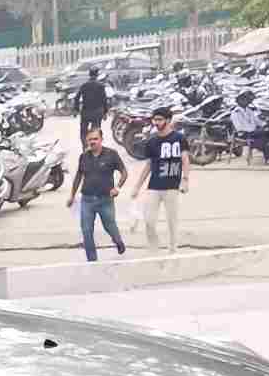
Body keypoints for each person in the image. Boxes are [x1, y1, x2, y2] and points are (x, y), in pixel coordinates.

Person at [129, 105, 189, 253]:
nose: (156, 122)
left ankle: (173, 249)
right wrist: (137, 186)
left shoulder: (179, 138)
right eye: (154, 120)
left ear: (168, 120)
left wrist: (185, 180)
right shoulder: (152, 141)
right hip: (154, 186)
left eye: (159, 119)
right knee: (149, 220)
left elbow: (185, 160)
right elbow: (148, 165)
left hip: (172, 186)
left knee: (172, 221)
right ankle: (154, 250)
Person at [67, 126, 128, 262]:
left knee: (110, 226)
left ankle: (118, 241)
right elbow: (78, 176)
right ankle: (92, 261)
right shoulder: (84, 157)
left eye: (95, 139)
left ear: (101, 139)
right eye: (90, 139)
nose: (92, 142)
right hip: (87, 200)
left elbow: (124, 172)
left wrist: (117, 188)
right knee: (86, 230)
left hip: (105, 200)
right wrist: (72, 195)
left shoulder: (111, 154)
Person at [78, 65, 109, 145]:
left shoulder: (84, 85)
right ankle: (93, 146)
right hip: (97, 112)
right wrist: (105, 112)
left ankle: (85, 145)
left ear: (89, 74)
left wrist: (76, 109)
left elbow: (76, 98)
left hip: (86, 112)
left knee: (83, 131)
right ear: (97, 75)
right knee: (95, 131)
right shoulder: (101, 86)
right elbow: (104, 100)